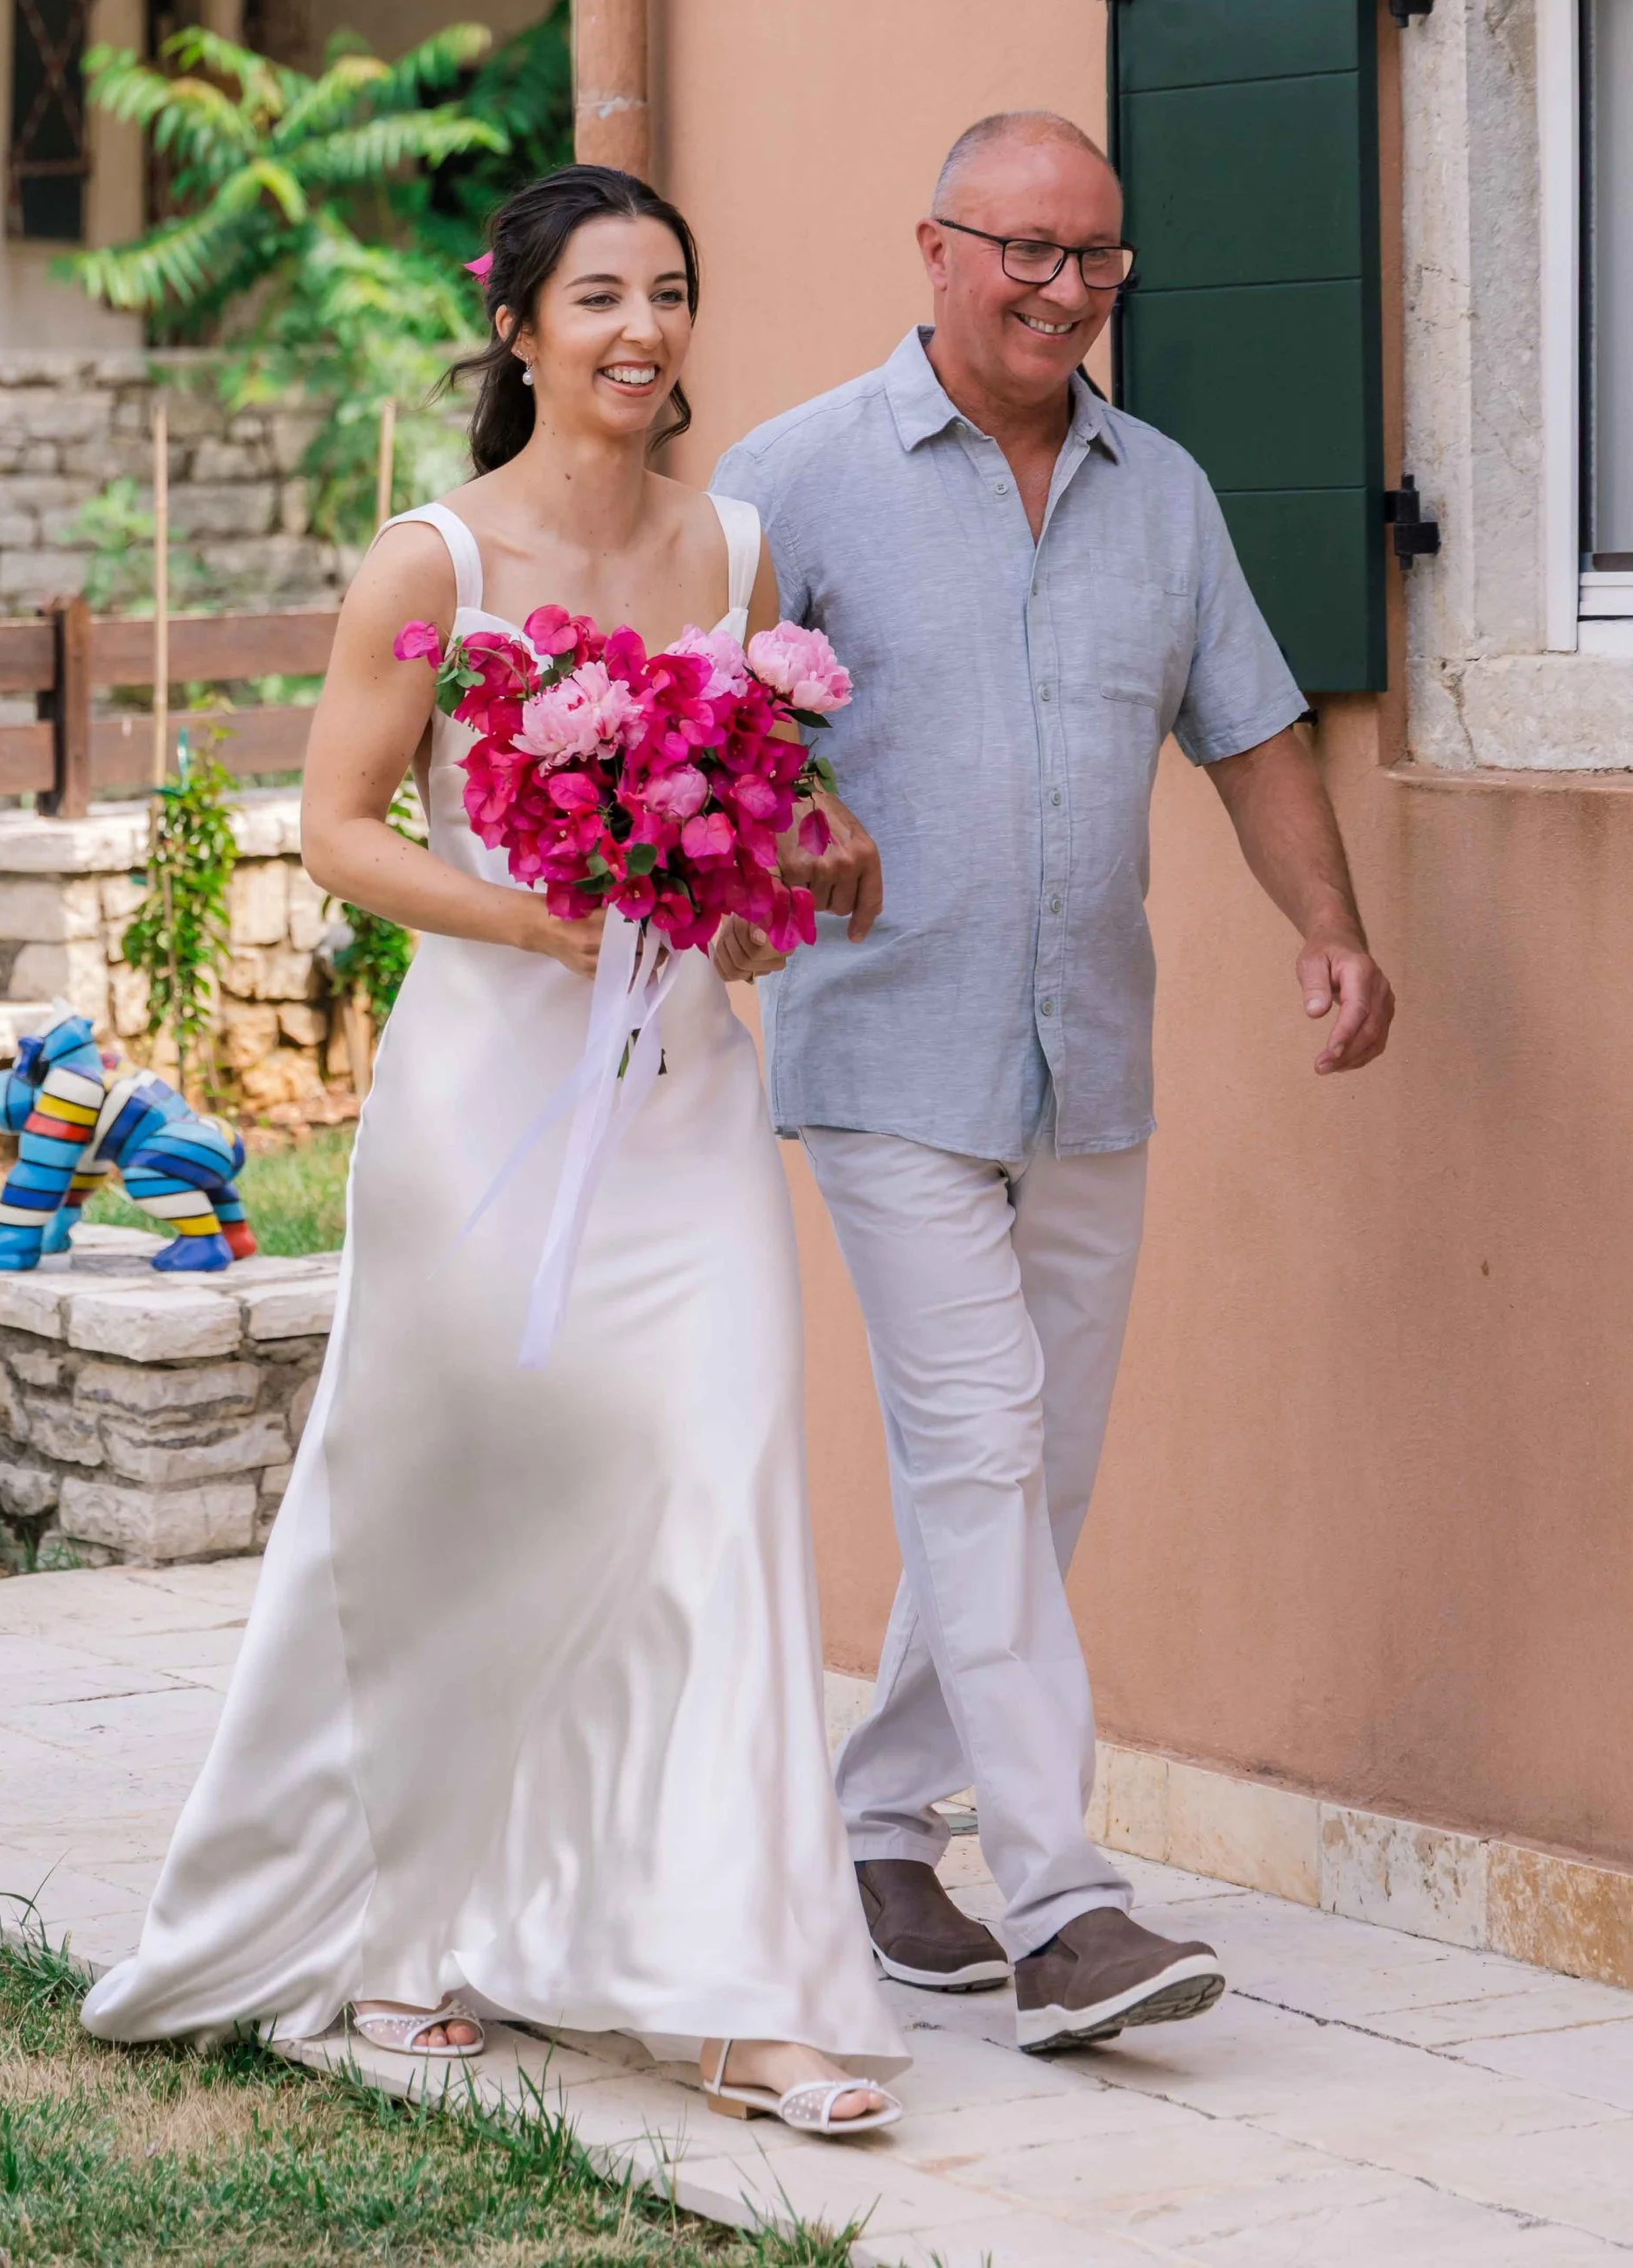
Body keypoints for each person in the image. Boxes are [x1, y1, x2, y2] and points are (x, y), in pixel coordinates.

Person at [82, 163, 905, 2138]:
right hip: (482, 1106)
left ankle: (743, 1990)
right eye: (601, 296)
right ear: (520, 327)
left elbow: (759, 822)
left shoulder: (737, 551)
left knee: (718, 1477)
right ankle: (399, 1926)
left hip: (685, 1095)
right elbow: (342, 828)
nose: (642, 330)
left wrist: (809, 861)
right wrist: (537, 916)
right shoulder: (428, 563)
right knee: (457, 1497)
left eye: (671, 294)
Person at [711, 109, 1395, 2057]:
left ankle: (869, 1827)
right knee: (982, 1447)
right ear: (929, 248)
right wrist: (795, 825)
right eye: (1021, 250)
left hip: (1088, 1051)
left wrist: (1322, 927)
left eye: (1092, 257)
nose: (1060, 289)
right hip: (884, 1046)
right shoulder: (796, 482)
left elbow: (1249, 731)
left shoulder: (1156, 493)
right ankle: (1064, 1907)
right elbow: (704, 738)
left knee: (1031, 1471)